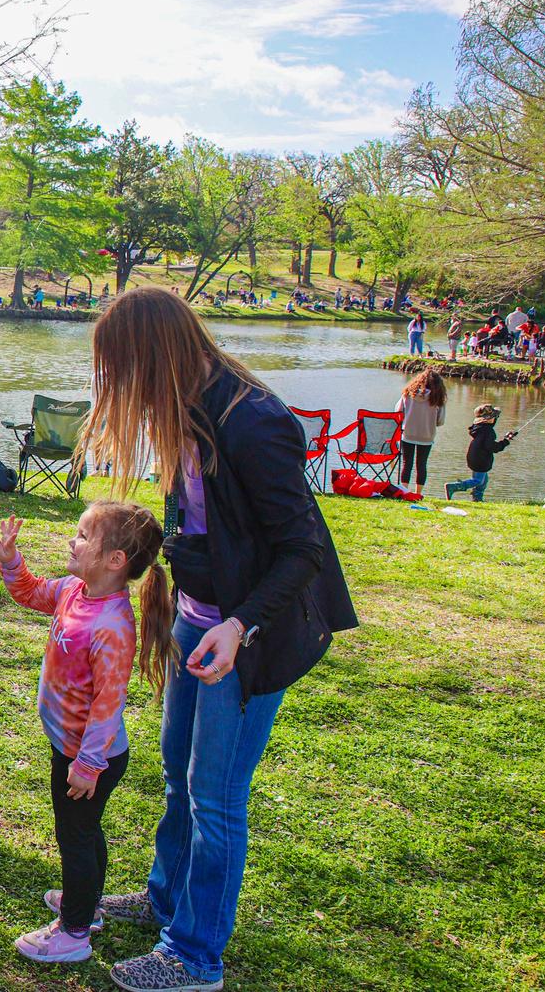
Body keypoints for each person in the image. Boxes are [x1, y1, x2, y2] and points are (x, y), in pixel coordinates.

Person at [80, 287, 356, 992]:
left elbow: (302, 550)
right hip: (195, 622)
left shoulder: (254, 421)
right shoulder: (185, 411)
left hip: (246, 635)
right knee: (178, 775)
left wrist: (238, 625)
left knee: (216, 795)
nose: (118, 387)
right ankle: (166, 899)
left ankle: (195, 956)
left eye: (121, 369)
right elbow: (202, 524)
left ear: (154, 356)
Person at [0, 503, 175, 965]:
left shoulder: (112, 625)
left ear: (115, 560)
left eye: (82, 536)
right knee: (84, 831)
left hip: (90, 759)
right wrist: (12, 561)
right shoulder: (73, 591)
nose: (72, 542)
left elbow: (108, 705)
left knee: (74, 838)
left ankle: (74, 932)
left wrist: (89, 764)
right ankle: (88, 905)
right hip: (74, 751)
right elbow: (30, 592)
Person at [446, 403, 516, 502]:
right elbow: (492, 447)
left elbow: (488, 433)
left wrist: (505, 438)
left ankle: (477, 499)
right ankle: (454, 487)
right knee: (478, 481)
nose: (495, 419)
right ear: (489, 419)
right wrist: (505, 442)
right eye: (494, 417)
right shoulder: (488, 431)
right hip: (480, 459)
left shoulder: (479, 428)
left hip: (474, 456)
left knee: (483, 481)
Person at [394, 369, 446, 491]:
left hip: (408, 434)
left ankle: (404, 490)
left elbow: (398, 412)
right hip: (427, 435)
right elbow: (440, 421)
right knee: (422, 464)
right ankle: (418, 493)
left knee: (407, 463)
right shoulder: (438, 399)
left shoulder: (408, 394)